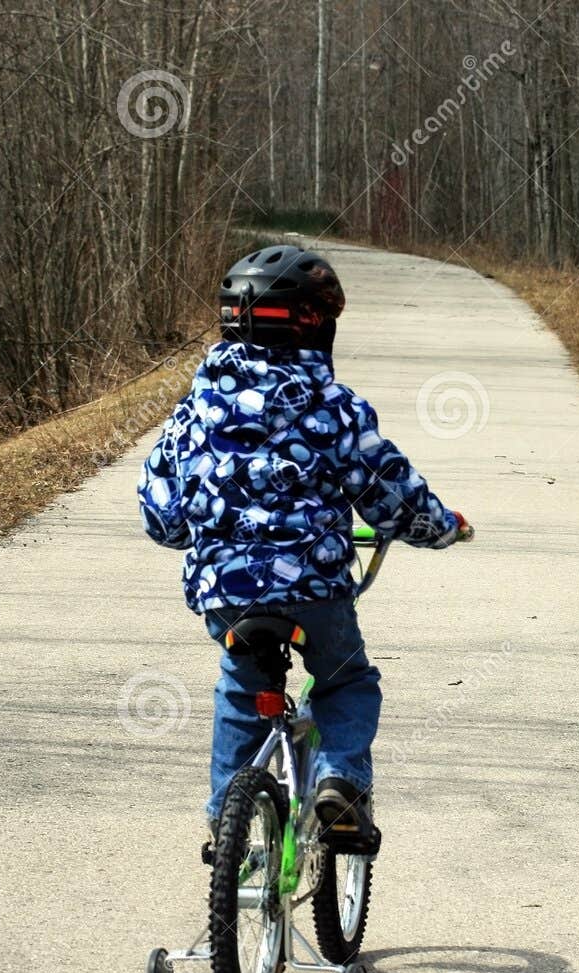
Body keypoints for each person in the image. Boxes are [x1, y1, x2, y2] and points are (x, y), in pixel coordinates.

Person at [137, 244, 470, 852]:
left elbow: (162, 517)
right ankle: (339, 780)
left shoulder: (195, 413)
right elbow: (388, 495)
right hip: (313, 590)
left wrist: (202, 532)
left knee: (241, 689)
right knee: (345, 680)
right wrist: (441, 526)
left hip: (227, 594)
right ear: (320, 327)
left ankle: (226, 824)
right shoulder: (334, 410)